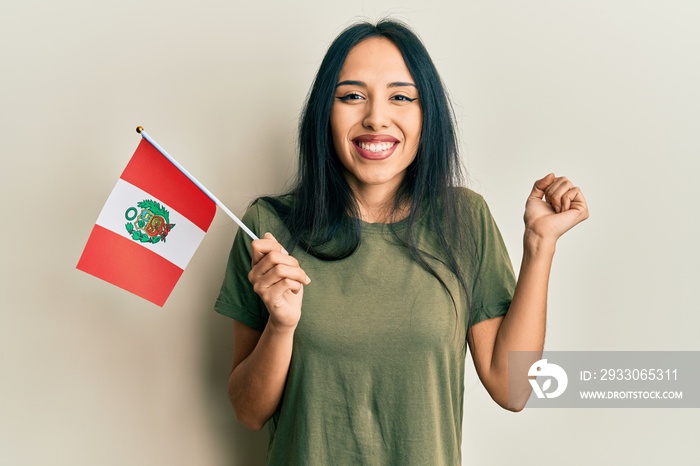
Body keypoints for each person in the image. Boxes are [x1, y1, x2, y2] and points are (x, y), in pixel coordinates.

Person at [215, 19, 589, 465]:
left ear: (425, 113)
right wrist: (281, 325)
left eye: (400, 97)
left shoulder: (464, 219)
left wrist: (539, 244)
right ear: (324, 113)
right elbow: (248, 411)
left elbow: (513, 388)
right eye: (352, 96)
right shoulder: (268, 229)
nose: (375, 117)